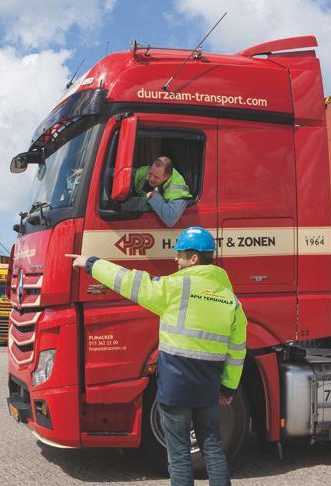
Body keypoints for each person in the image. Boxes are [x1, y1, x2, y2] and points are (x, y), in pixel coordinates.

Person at [67, 226, 247, 486]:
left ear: (194, 258)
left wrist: (91, 263)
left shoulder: (175, 287)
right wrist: (229, 386)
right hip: (208, 388)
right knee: (213, 450)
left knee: (180, 455)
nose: (176, 259)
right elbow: (237, 350)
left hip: (175, 388)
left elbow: (128, 280)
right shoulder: (231, 300)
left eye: (180, 255)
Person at [133, 155, 192, 227]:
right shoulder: (147, 171)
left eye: (156, 177)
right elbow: (127, 175)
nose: (151, 179)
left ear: (167, 177)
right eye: (150, 174)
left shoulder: (177, 188)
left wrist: (154, 196)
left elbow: (170, 219)